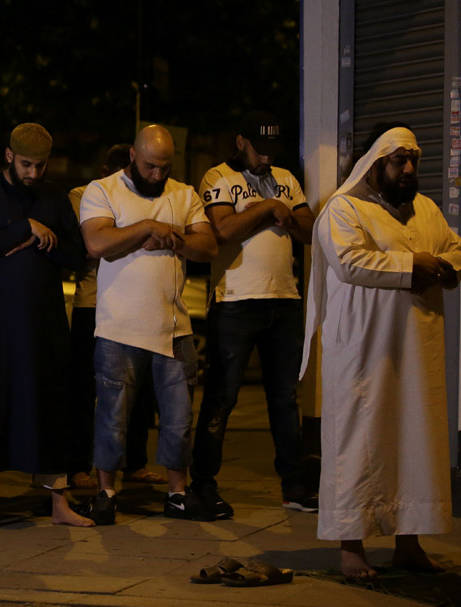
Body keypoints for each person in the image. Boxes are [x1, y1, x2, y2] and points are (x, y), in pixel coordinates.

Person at [300, 125, 461, 578]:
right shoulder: (344, 209)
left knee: (413, 441)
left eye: (414, 159)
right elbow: (350, 261)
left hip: (416, 348)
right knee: (359, 443)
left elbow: (456, 251)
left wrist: (449, 268)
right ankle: (350, 549)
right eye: (400, 160)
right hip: (362, 351)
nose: (410, 168)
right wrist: (413, 263)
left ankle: (408, 544)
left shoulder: (427, 210)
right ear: (375, 163)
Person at [0, 122, 95, 533]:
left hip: (43, 322)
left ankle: (57, 502)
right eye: (27, 164)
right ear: (9, 156)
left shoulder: (54, 195)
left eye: (40, 165)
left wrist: (35, 242)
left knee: (49, 405)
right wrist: (25, 229)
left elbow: (75, 253)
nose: (33, 173)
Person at [78, 125, 219, 525]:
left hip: (174, 325)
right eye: (150, 166)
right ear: (133, 157)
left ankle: (177, 492)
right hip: (117, 327)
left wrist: (169, 237)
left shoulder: (184, 193)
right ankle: (106, 493)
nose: (157, 175)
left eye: (164, 167)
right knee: (112, 415)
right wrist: (147, 228)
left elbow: (207, 246)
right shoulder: (102, 190)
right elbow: (97, 244)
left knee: (178, 418)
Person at [190, 112, 317, 519]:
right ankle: (203, 486)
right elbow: (223, 230)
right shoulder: (217, 178)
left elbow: (307, 229)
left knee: (283, 397)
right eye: (258, 149)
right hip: (236, 301)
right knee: (221, 398)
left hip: (285, 299)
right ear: (240, 141)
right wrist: (269, 208)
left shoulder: (287, 177)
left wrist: (282, 210)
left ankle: (294, 486)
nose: (266, 157)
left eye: (272, 150)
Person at [68, 145, 165, 491]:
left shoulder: (150, 195)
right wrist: (128, 237)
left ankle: (134, 462)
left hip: (134, 304)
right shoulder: (86, 194)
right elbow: (89, 245)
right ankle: (78, 465)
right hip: (91, 302)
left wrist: (120, 239)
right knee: (84, 389)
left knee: (138, 388)